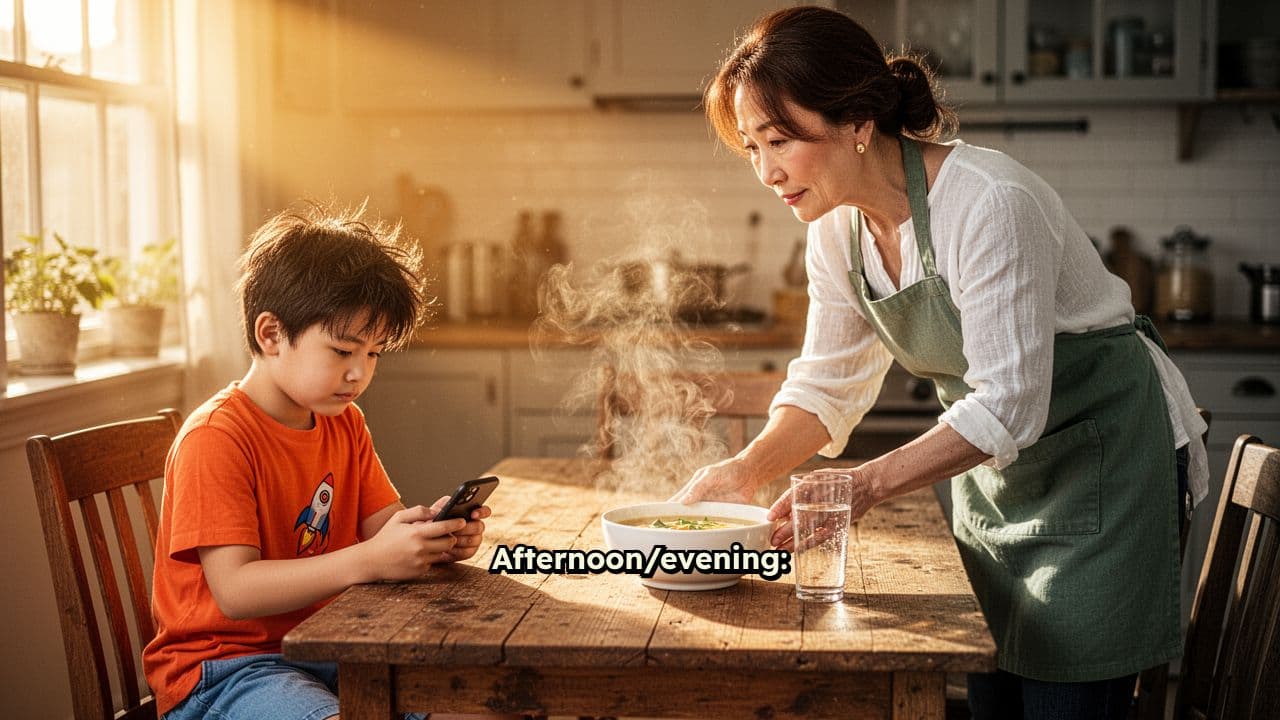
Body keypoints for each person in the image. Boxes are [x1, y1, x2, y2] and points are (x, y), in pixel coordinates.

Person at [673, 7, 1208, 719]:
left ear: (859, 121)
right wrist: (747, 468)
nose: (766, 172)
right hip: (998, 481)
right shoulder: (836, 228)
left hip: (1106, 470)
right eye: (751, 148)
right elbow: (827, 386)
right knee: (990, 696)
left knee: (1067, 702)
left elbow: (1011, 403)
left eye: (780, 140)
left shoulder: (988, 202)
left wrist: (860, 487)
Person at [143, 206, 500, 720]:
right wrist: (371, 559)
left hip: (333, 644)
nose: (358, 373)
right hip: (225, 671)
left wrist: (433, 539)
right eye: (341, 350)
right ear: (271, 335)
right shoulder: (216, 437)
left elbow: (384, 528)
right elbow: (236, 591)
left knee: (487, 704)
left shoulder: (344, 422)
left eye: (375, 354)